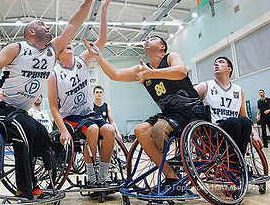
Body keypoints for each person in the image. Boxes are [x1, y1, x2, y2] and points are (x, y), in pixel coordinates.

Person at [0, 0, 94, 199]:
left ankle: (43, 176)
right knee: (23, 130)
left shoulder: (52, 51)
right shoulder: (17, 48)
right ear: (31, 32)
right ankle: (26, 187)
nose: (47, 26)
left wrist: (88, 1)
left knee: (42, 133)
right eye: (42, 24)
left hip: (19, 112)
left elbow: (73, 25)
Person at [82, 36, 208, 195]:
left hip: (191, 110)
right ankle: (172, 178)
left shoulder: (171, 57)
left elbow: (181, 71)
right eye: (146, 38)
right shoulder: (142, 69)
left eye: (153, 38)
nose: (147, 40)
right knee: (140, 130)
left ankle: (175, 167)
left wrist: (152, 73)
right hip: (169, 114)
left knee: (158, 129)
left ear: (162, 47)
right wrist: (97, 55)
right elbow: (115, 74)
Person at [48, 0, 115, 187]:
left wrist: (103, 11)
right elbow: (53, 107)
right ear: (59, 54)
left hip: (88, 113)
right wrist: (62, 129)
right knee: (92, 130)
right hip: (70, 117)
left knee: (109, 130)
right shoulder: (54, 73)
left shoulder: (82, 60)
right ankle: (91, 176)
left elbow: (102, 40)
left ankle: (103, 176)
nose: (69, 46)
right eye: (65, 46)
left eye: (71, 45)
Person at [194, 57, 262, 156]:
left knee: (244, 121)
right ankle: (233, 162)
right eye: (215, 63)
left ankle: (238, 161)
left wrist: (254, 134)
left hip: (235, 131)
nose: (216, 64)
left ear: (229, 69)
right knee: (233, 121)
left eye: (221, 62)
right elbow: (187, 95)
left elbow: (243, 115)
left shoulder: (238, 90)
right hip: (214, 132)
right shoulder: (205, 86)